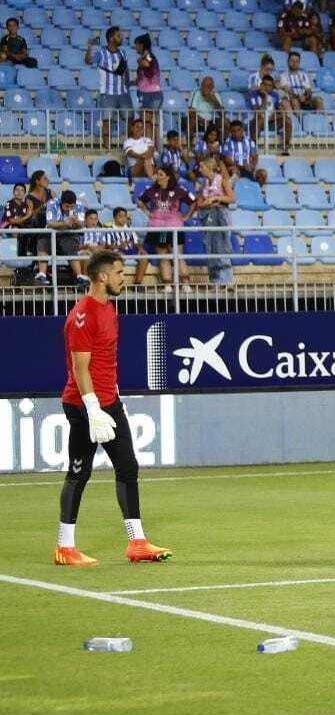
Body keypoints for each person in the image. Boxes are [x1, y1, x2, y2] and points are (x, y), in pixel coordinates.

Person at [53, 250, 173, 566]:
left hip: (109, 402)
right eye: (119, 272)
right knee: (79, 473)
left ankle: (137, 543)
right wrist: (93, 410)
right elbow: (81, 368)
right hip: (83, 405)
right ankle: (64, 547)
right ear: (103, 276)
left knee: (128, 466)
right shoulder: (82, 315)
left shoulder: (110, 310)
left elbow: (107, 363)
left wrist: (112, 400)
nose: (125, 277)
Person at [190, 152, 235, 286]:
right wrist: (207, 203)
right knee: (210, 247)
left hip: (221, 215)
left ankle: (226, 281)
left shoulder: (222, 179)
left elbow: (232, 198)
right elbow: (199, 202)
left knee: (221, 246)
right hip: (207, 216)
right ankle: (215, 280)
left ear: (209, 168)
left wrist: (216, 198)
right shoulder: (203, 183)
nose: (199, 169)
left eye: (202, 167)